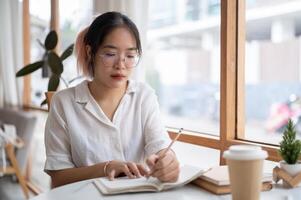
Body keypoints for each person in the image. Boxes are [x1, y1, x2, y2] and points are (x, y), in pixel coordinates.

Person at [44, 11, 180, 188]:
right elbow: (58, 177)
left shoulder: (144, 96)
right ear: (90, 52)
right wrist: (105, 168)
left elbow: (159, 145)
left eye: (130, 56)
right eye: (110, 54)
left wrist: (168, 161)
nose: (121, 65)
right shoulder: (64, 103)